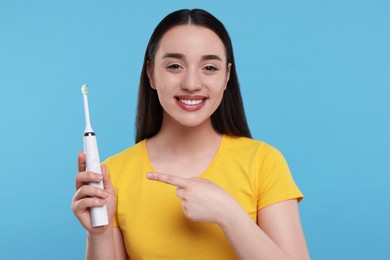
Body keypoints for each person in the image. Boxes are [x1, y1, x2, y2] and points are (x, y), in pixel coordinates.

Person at [72, 8, 310, 260]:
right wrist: (99, 233)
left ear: (227, 75)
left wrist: (229, 214)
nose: (192, 83)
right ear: (151, 73)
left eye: (209, 67)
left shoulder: (264, 163)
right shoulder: (114, 174)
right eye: (175, 65)